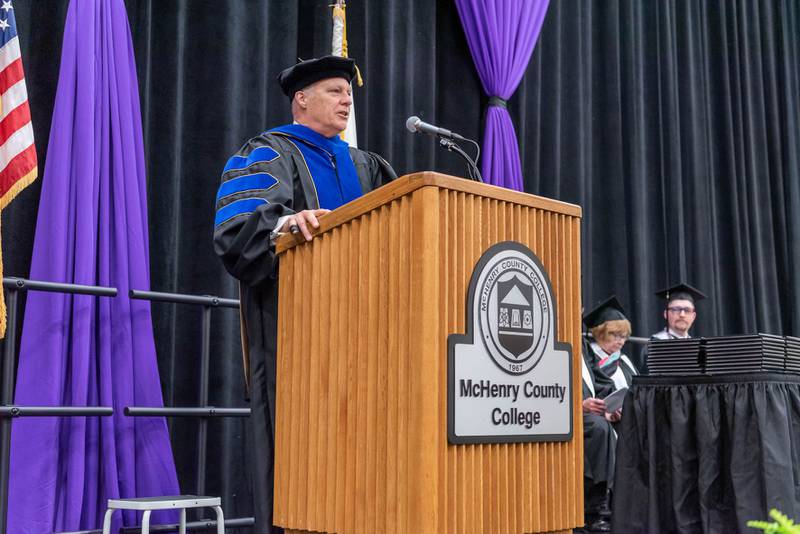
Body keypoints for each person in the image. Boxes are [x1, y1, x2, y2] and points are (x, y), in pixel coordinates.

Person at [213, 56, 396, 534]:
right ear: (302, 99)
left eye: (348, 93)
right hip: (297, 337)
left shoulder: (366, 165)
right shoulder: (269, 152)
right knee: (299, 459)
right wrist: (284, 225)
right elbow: (235, 231)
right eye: (335, 91)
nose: (347, 99)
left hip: (371, 339)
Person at [580, 296, 630, 533]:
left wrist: (613, 404)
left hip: (596, 412)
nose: (620, 341)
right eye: (615, 335)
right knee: (599, 428)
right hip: (570, 413)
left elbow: (600, 381)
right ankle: (597, 509)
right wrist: (579, 405)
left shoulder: (580, 345)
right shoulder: (556, 342)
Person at [585, 295, 638, 391]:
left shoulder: (623, 359)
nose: (621, 341)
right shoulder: (589, 359)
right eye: (616, 335)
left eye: (624, 336)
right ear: (600, 333)